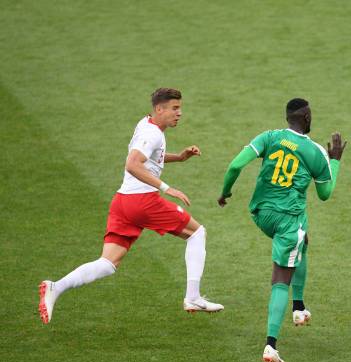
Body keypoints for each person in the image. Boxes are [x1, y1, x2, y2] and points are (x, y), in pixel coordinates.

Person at [38, 88, 223, 324]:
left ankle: (55, 287)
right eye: (175, 108)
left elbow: (149, 157)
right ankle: (193, 296)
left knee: (107, 263)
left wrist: (179, 157)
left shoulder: (147, 125)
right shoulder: (152, 133)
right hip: (143, 202)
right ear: (160, 109)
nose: (180, 113)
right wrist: (168, 189)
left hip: (122, 202)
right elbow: (133, 164)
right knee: (197, 233)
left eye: (180, 108)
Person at [218, 98, 346, 362]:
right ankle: (270, 345)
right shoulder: (314, 152)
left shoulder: (270, 136)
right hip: (287, 222)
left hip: (261, 214)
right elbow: (325, 194)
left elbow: (235, 166)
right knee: (280, 278)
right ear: (308, 118)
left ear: (288, 118)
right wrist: (334, 161)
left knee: (303, 240)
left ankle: (299, 307)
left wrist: (225, 192)